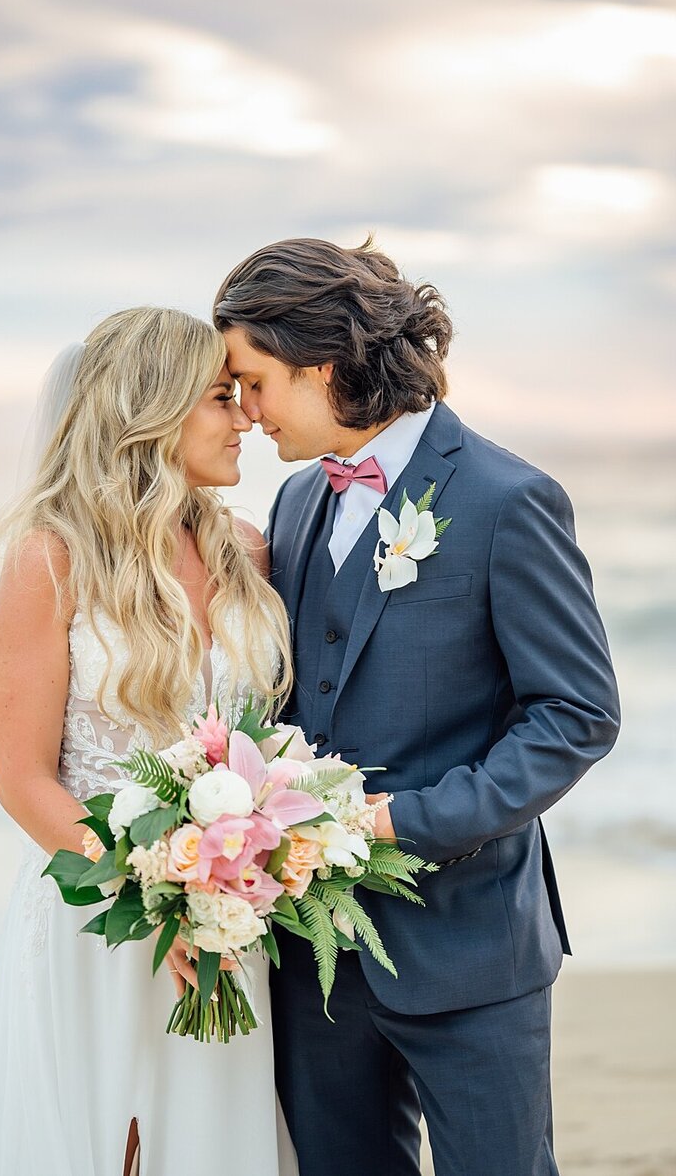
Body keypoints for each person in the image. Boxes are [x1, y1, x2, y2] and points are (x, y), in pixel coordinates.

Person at [214, 238, 621, 1176]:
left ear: (320, 368)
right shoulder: (295, 506)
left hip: (471, 947)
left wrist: (412, 821)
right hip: (313, 953)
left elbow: (575, 713)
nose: (247, 410)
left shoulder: (507, 500)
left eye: (256, 381)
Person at [0, 306, 298, 1176]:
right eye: (219, 397)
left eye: (241, 395)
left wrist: (226, 897)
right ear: (151, 412)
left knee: (207, 1136)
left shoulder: (248, 552)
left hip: (230, 919)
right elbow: (22, 777)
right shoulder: (49, 561)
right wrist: (160, 910)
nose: (244, 418)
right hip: (100, 910)